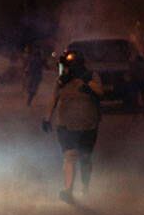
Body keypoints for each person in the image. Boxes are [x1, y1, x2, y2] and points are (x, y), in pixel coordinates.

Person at [43, 49, 103, 204]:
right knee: (69, 156)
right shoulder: (62, 80)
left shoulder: (90, 77)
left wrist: (88, 86)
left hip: (87, 124)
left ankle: (85, 188)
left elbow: (100, 92)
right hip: (65, 124)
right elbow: (53, 99)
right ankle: (68, 190)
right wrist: (47, 118)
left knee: (85, 158)